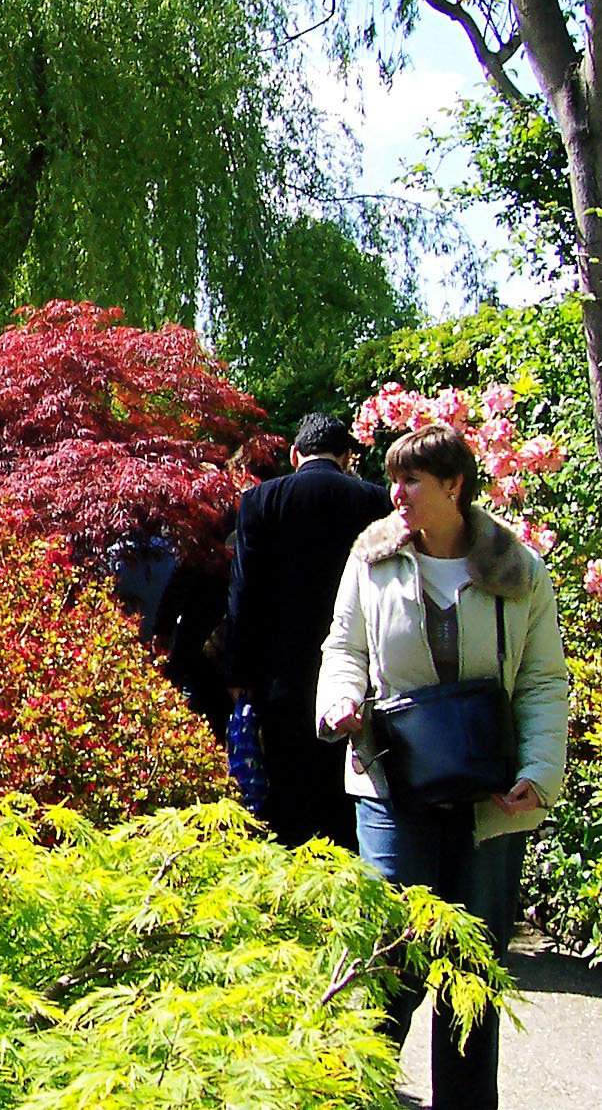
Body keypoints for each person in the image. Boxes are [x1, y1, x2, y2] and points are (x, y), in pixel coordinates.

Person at [317, 423, 568, 1110]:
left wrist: (541, 771)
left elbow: (545, 680)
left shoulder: (519, 569)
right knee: (390, 956)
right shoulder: (371, 560)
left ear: (454, 485)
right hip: (391, 784)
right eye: (392, 478)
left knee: (471, 975)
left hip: (491, 798)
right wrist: (341, 700)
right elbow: (343, 648)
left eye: (410, 480)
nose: (394, 493)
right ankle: (358, 1095)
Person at [228, 412, 391, 849]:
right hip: (357, 669)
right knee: (349, 797)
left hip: (279, 670)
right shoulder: (376, 501)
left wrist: (238, 675)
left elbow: (244, 591)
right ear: (345, 457)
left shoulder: (260, 501)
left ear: (294, 452)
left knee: (289, 800)